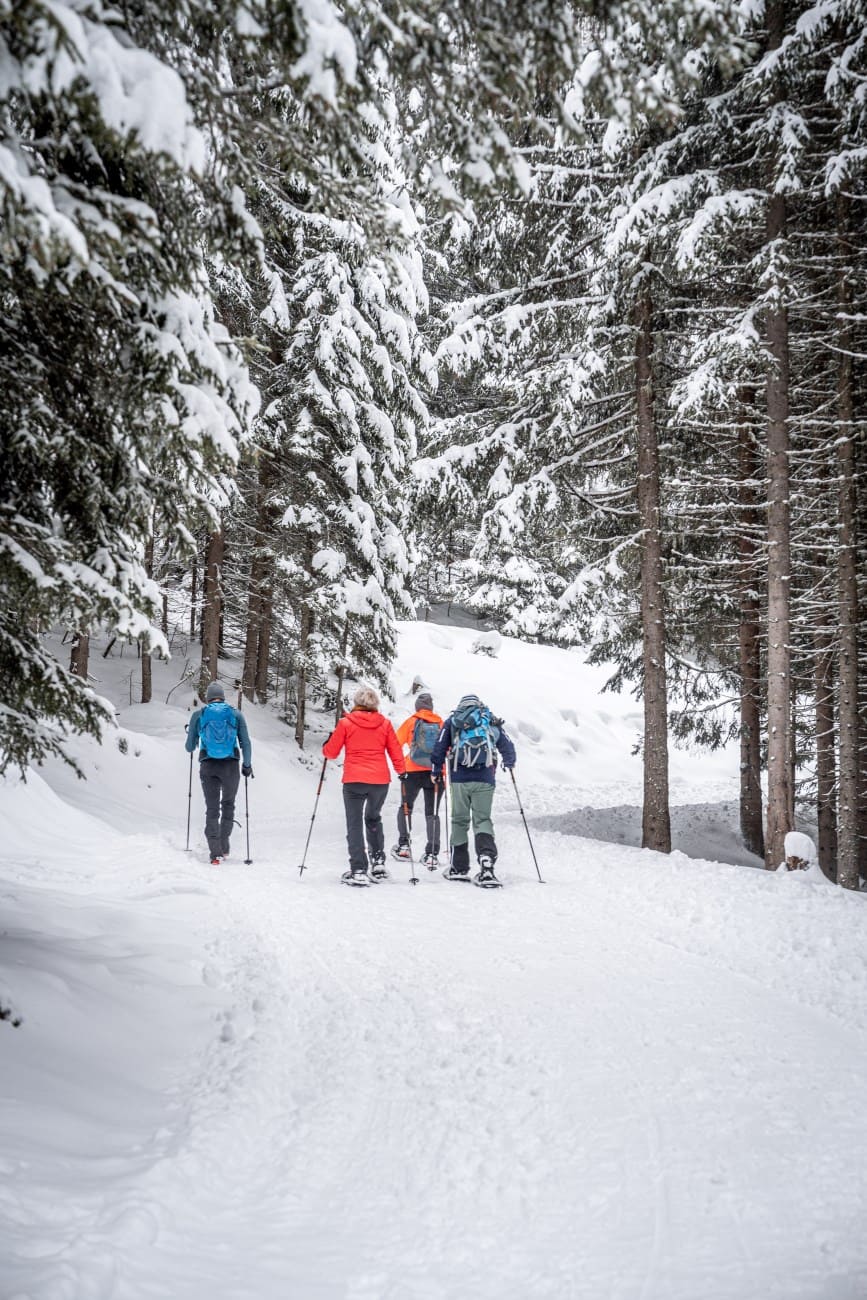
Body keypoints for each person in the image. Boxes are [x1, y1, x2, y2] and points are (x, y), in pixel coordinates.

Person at [323, 685, 406, 886]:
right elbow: (395, 750)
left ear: (356, 703)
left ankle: (359, 869)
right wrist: (401, 771)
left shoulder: (346, 723)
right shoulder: (384, 724)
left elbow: (331, 753)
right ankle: (378, 863)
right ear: (375, 703)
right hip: (379, 781)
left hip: (354, 781)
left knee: (354, 823)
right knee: (373, 818)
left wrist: (327, 744)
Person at [430, 693, 516, 887]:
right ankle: (487, 864)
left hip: (459, 779)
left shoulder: (453, 721)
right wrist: (509, 763)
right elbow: (507, 744)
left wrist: (436, 770)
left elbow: (439, 747)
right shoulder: (489, 720)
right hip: (485, 778)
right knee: (482, 820)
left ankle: (458, 868)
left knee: (459, 820)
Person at [185, 681, 253, 865]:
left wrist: (192, 734)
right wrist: (247, 765)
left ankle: (215, 853)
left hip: (208, 766)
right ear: (222, 697)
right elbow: (246, 743)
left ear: (208, 698)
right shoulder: (235, 714)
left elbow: (189, 747)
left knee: (212, 808)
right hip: (231, 766)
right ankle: (224, 845)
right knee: (228, 804)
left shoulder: (199, 715)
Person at [391, 692, 444, 869]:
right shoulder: (440, 723)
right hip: (435, 773)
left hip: (412, 771)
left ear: (417, 707)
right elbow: (448, 748)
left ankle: (404, 847)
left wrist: (401, 766)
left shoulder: (410, 722)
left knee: (406, 807)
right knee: (432, 813)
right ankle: (431, 854)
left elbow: (395, 744)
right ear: (431, 707)